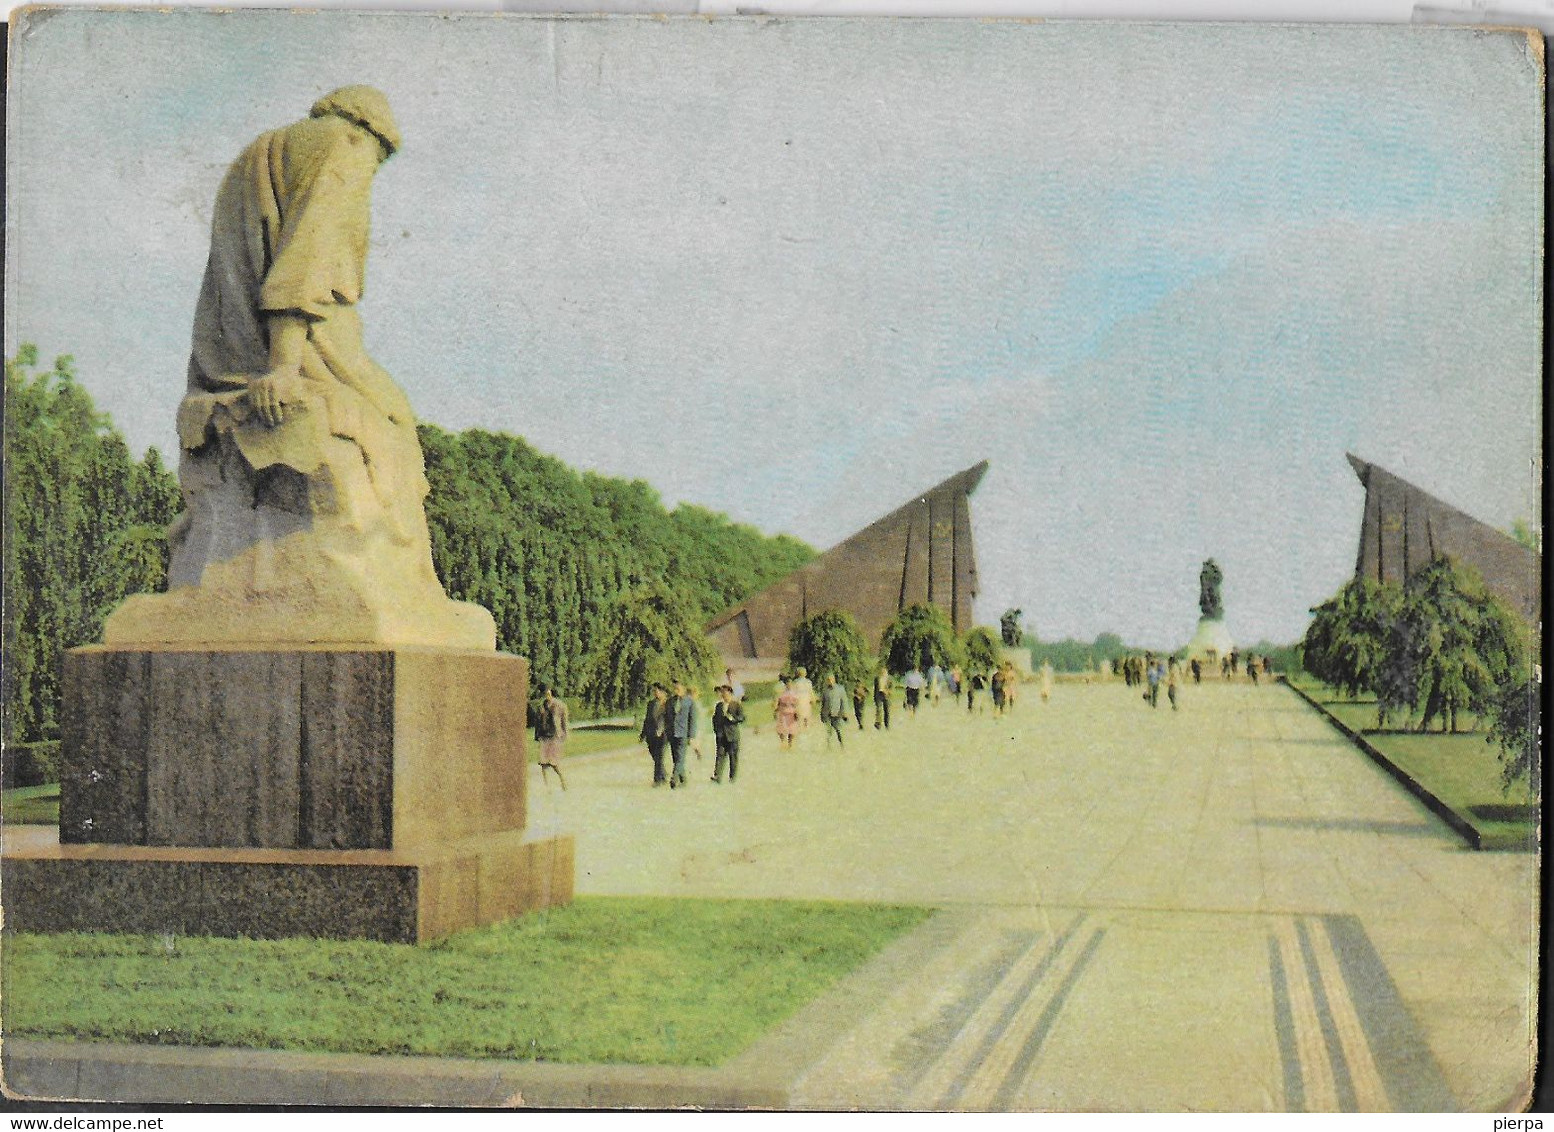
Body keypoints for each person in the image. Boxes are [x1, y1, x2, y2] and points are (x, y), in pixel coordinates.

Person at [533, 685, 568, 790]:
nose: (547, 696)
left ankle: (562, 780)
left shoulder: (559, 705)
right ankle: (546, 785)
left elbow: (564, 721)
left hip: (554, 736)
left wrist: (564, 734)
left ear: (551, 694)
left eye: (548, 693)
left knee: (554, 763)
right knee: (543, 763)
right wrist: (536, 735)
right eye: (545, 694)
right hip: (544, 736)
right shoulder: (541, 707)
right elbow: (537, 722)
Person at [710, 684, 745, 783]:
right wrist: (716, 730)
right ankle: (717, 776)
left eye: (725, 693)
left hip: (732, 735)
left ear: (730, 693)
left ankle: (732, 776)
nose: (724, 695)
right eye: (722, 693)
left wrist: (733, 719)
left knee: (733, 756)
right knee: (720, 755)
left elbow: (742, 717)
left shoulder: (736, 705)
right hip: (721, 735)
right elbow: (714, 719)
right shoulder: (719, 706)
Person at [639, 682, 670, 787]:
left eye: (657, 691)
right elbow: (647, 720)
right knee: (655, 757)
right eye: (654, 691)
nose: (655, 693)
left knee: (659, 757)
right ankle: (663, 774)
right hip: (651, 735)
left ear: (663, 692)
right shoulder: (651, 704)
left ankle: (657, 780)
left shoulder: (668, 704)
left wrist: (662, 729)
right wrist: (643, 735)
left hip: (663, 735)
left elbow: (669, 720)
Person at [668, 679, 696, 788]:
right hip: (672, 733)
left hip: (683, 734)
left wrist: (691, 736)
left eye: (678, 688)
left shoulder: (689, 702)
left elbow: (692, 719)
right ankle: (683, 780)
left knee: (680, 758)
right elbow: (668, 717)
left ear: (683, 689)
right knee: (676, 758)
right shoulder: (671, 701)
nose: (676, 690)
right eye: (675, 688)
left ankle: (674, 778)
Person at [821, 674, 850, 749]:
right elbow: (823, 702)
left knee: (839, 730)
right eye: (828, 680)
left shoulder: (840, 689)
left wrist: (844, 713)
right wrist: (822, 714)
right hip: (828, 713)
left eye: (830, 679)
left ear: (834, 680)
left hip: (837, 713)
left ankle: (842, 745)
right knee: (828, 731)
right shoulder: (825, 690)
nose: (829, 681)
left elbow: (844, 701)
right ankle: (829, 746)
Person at [773, 677, 800, 750]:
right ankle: (783, 742)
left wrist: (797, 712)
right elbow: (777, 703)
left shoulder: (795, 693)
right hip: (783, 712)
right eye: (788, 684)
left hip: (792, 713)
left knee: (792, 729)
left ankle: (790, 743)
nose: (789, 685)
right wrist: (775, 711)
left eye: (790, 683)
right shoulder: (782, 693)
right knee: (781, 729)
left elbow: (797, 704)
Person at [791, 667, 816, 735]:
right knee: (807, 717)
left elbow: (792, 694)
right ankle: (807, 730)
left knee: (800, 718)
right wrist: (813, 700)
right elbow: (811, 693)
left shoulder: (795, 683)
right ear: (805, 674)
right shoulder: (808, 682)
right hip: (806, 701)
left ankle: (801, 732)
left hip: (799, 702)